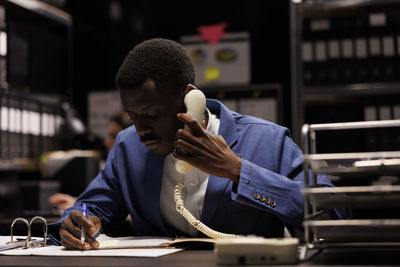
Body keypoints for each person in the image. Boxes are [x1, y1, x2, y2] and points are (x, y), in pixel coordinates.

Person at [48, 38, 350, 250]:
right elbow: (91, 206)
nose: (141, 130)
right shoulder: (128, 146)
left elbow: (336, 217)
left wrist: (238, 171)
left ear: (190, 97)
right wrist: (77, 221)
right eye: (133, 116)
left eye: (153, 115)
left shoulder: (267, 140)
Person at [48, 111, 131, 211]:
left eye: (113, 136)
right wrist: (77, 203)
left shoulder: (136, 172)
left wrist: (81, 206)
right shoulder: (115, 169)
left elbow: (127, 213)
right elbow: (106, 204)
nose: (106, 142)